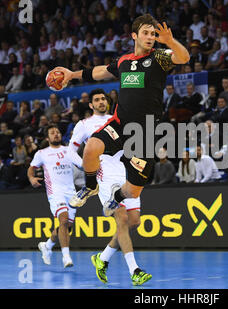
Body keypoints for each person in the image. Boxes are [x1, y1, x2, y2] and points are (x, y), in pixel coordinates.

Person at [51, 15, 189, 285]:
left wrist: (170, 41)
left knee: (132, 193)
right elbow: (98, 71)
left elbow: (183, 58)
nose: (151, 36)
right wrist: (72, 75)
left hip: (145, 133)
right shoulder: (125, 62)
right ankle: (90, 186)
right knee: (92, 146)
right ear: (134, 36)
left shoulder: (160, 57)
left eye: (154, 33)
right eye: (146, 32)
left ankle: (117, 198)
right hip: (122, 123)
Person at [69, 88, 144, 284]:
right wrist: (88, 166)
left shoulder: (118, 119)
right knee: (121, 218)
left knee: (134, 221)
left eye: (103, 99)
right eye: (97, 100)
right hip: (105, 177)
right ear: (91, 105)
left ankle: (102, 259)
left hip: (127, 173)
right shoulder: (84, 125)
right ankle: (135, 271)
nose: (101, 102)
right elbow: (71, 151)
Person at [28, 125, 83, 268]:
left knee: (67, 226)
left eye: (58, 132)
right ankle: (66, 257)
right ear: (48, 138)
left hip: (71, 193)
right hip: (55, 192)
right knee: (63, 220)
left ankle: (47, 245)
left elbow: (82, 164)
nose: (56, 134)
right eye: (52, 133)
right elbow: (31, 168)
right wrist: (31, 178)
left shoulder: (69, 151)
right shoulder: (42, 153)